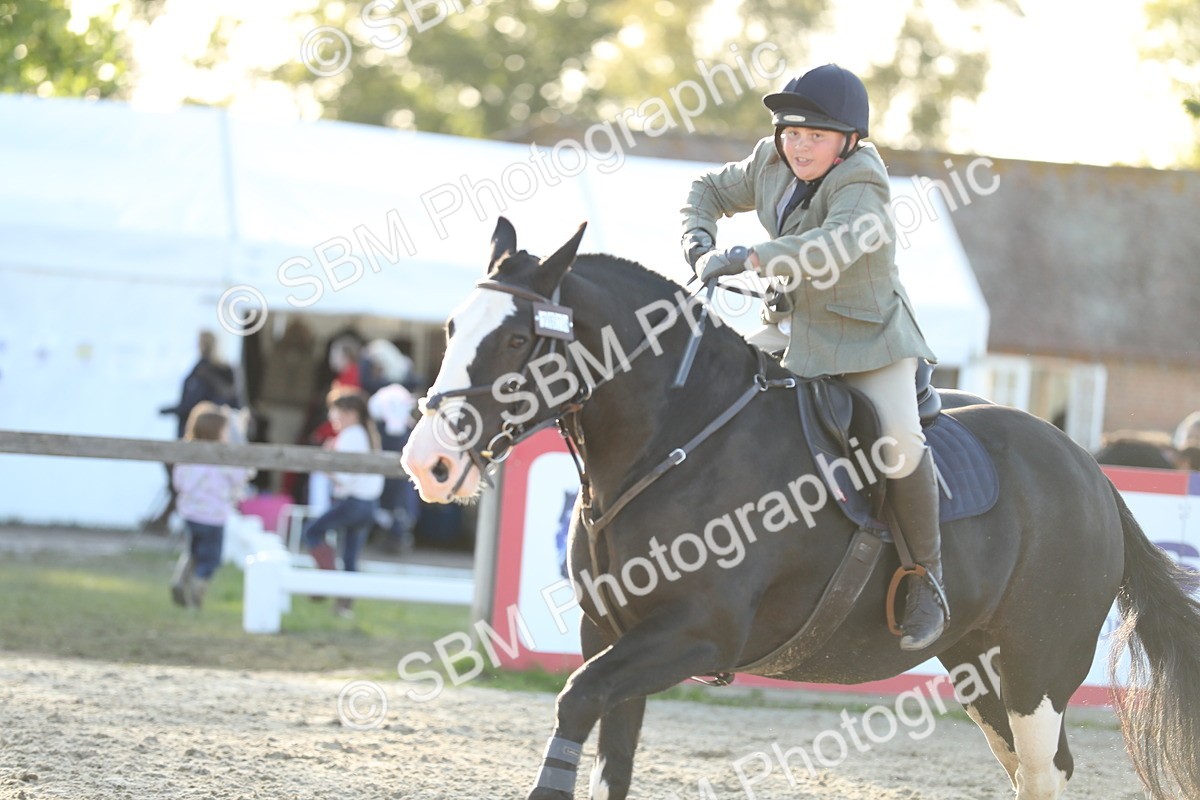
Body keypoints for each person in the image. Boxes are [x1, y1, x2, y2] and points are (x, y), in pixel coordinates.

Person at [680, 64, 946, 650]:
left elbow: (834, 245)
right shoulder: (770, 161)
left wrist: (749, 256)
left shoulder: (864, 182)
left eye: (815, 136)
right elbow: (705, 191)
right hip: (792, 330)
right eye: (790, 133)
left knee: (899, 443)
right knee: (718, 408)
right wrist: (697, 241)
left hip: (867, 339)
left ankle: (927, 579)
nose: (798, 145)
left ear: (849, 141)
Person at [302, 387, 385, 617]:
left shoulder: (351, 436)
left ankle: (326, 581)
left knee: (311, 533)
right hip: (369, 504)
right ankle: (344, 607)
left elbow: (345, 477)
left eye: (336, 412)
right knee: (350, 556)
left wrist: (327, 462)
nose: (332, 417)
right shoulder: (366, 435)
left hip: (353, 501)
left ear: (351, 413)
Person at [170, 402, 255, 609]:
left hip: (190, 514)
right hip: (213, 516)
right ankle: (197, 592)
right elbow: (240, 477)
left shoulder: (188, 454)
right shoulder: (223, 458)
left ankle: (180, 578)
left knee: (193, 550)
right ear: (217, 431)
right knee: (211, 558)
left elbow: (178, 482)